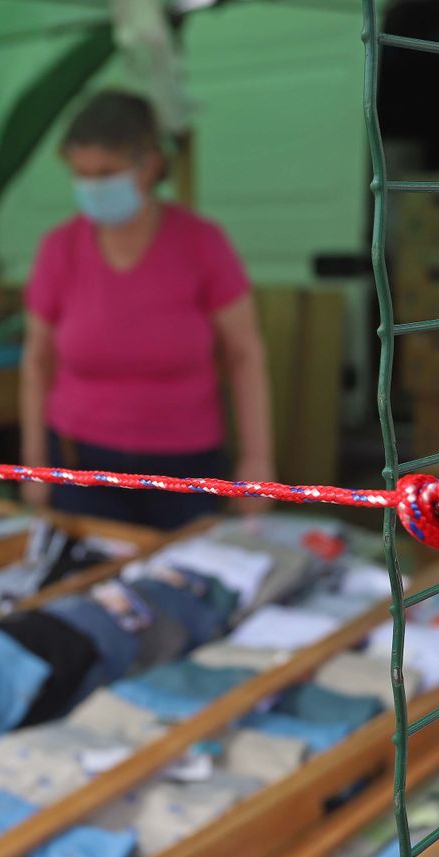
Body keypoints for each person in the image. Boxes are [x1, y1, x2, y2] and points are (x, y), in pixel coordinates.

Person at [20, 91, 274, 530]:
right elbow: (37, 361)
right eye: (81, 175)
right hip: (81, 465)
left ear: (150, 164)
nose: (94, 187)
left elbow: (245, 354)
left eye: (107, 173)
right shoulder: (59, 250)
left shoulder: (202, 243)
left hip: (185, 466)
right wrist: (34, 464)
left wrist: (257, 459)